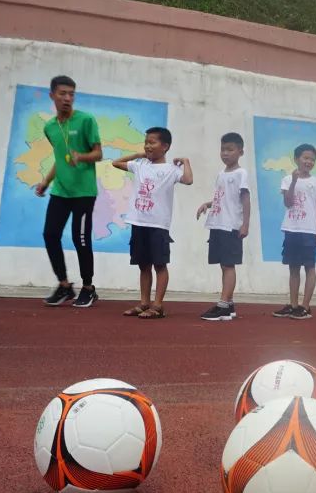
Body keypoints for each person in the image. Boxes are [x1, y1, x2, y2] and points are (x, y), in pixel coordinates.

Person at [35, 76, 103, 308]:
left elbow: (98, 154)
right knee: (50, 235)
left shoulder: (86, 121)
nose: (67, 98)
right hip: (60, 191)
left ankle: (88, 288)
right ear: (52, 95)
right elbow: (59, 159)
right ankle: (64, 286)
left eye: (71, 94)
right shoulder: (50, 127)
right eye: (62, 93)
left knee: (80, 238)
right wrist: (46, 181)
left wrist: (81, 157)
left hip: (84, 192)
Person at [111, 127, 192, 319]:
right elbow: (116, 162)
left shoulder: (171, 170)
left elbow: (188, 179)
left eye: (152, 142)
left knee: (159, 265)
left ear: (165, 146)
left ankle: (158, 305)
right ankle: (144, 302)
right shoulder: (140, 165)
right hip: (138, 223)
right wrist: (140, 154)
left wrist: (186, 162)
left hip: (158, 226)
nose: (148, 145)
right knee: (143, 265)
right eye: (146, 142)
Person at [196, 132, 250, 321]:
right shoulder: (221, 174)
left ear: (240, 151)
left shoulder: (241, 173)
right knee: (223, 265)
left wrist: (245, 224)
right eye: (223, 149)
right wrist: (208, 204)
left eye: (230, 149)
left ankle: (223, 305)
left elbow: (244, 198)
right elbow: (224, 197)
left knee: (229, 265)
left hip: (231, 226)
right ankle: (229, 303)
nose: (225, 153)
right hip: (217, 223)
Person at [272, 143, 316, 320]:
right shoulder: (287, 179)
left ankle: (305, 306)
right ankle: (293, 305)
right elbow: (288, 203)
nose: (309, 162)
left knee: (309, 267)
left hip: (309, 231)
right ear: (296, 159)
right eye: (305, 158)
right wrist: (294, 181)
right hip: (291, 228)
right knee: (293, 268)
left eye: (312, 159)